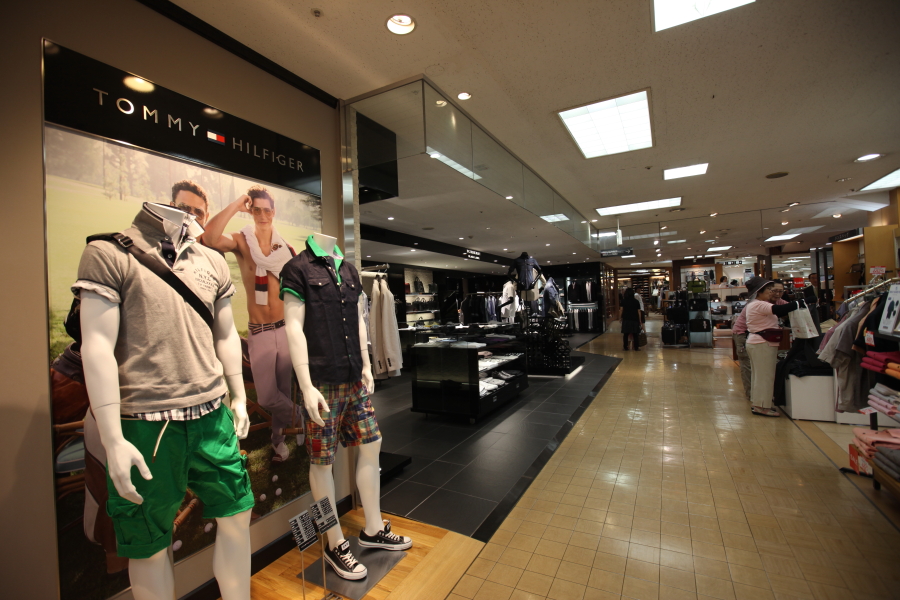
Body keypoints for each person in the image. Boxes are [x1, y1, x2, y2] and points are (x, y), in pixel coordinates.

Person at [76, 201, 253, 599]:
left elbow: (226, 334)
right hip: (146, 424)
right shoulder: (108, 253)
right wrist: (113, 438)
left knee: (237, 513)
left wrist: (239, 396)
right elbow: (97, 346)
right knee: (149, 543)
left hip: (213, 416)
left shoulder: (212, 260)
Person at [282, 233, 412, 581]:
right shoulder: (297, 268)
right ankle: (333, 542)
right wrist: (306, 385)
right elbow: (293, 328)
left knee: (372, 443)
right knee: (321, 463)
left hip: (354, 377)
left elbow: (358, 321)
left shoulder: (350, 271)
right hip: (321, 383)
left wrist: (367, 365)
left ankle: (373, 527)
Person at [203, 185, 300, 462]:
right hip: (260, 331)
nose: (262, 215)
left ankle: (278, 441)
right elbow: (209, 238)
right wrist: (236, 204)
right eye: (256, 210)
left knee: (282, 390)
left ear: (274, 212)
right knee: (268, 397)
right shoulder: (242, 241)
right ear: (251, 211)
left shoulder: (286, 249)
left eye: (267, 210)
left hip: (285, 328)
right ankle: (301, 417)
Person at [743, 276, 801, 416]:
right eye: (769, 289)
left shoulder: (756, 304)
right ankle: (762, 406)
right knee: (765, 376)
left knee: (759, 376)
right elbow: (781, 309)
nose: (771, 292)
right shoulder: (759, 304)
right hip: (762, 343)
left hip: (759, 343)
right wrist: (803, 302)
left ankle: (758, 403)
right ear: (759, 291)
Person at [732, 283, 788, 401]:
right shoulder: (758, 303)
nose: (777, 293)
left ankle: (760, 398)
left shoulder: (776, 300)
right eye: (773, 290)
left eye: (780, 291)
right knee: (748, 366)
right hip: (744, 334)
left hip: (760, 337)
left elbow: (788, 307)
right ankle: (753, 397)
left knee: (760, 369)